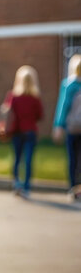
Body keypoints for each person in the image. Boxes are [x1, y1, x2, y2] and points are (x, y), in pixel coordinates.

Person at [6, 65, 43, 198]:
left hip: (17, 131)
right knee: (28, 160)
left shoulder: (13, 97)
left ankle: (17, 183)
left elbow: (7, 113)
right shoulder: (35, 98)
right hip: (30, 131)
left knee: (17, 158)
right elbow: (40, 115)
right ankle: (26, 187)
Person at [53, 54, 81, 201]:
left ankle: (73, 187)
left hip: (72, 128)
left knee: (73, 158)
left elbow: (63, 107)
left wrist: (58, 126)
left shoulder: (69, 85)